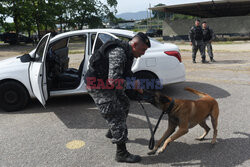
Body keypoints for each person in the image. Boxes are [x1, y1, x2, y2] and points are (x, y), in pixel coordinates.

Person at [84, 32, 150, 163]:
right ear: (135, 44)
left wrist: (135, 83)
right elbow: (114, 81)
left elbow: (124, 72)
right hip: (97, 85)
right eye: (143, 50)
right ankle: (121, 153)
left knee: (124, 102)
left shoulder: (128, 52)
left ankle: (113, 131)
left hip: (106, 82)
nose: (143, 53)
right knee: (116, 115)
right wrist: (133, 85)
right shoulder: (118, 53)